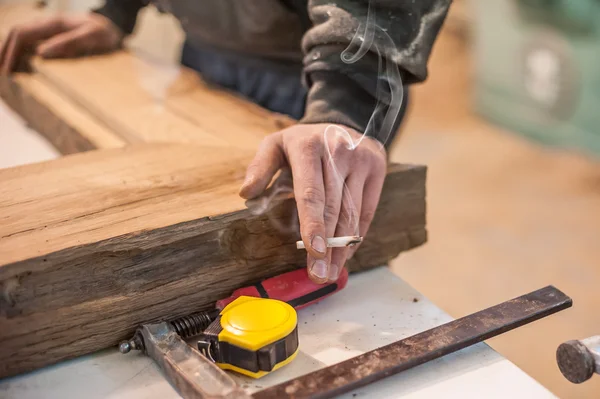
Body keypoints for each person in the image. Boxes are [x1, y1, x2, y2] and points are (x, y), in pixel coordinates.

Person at [0, 1, 451, 284]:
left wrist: (344, 103)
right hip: (202, 59)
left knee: (323, 252)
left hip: (318, 78)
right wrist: (115, 11)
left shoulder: (340, 89)